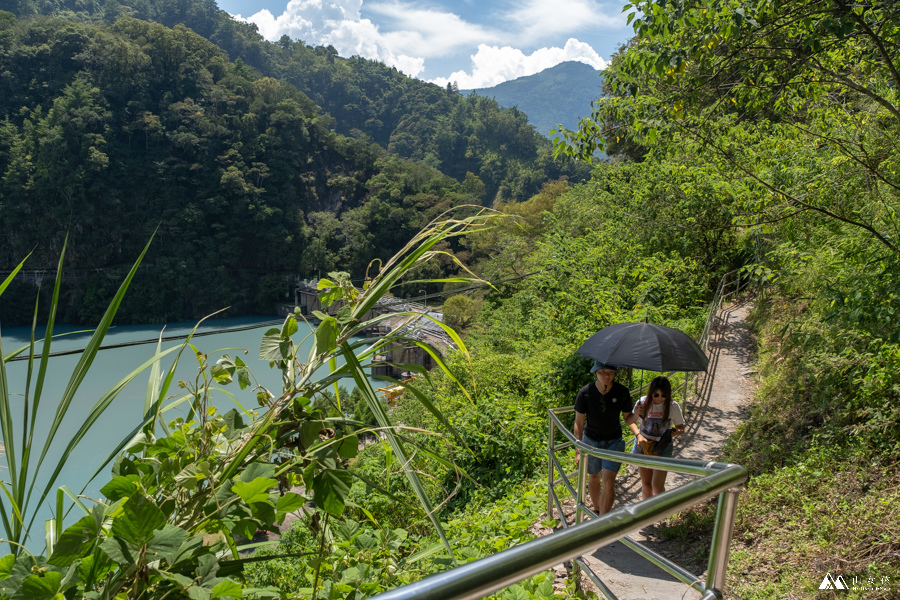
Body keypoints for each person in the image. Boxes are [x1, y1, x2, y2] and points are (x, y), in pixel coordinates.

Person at [574, 361, 637, 515]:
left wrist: (637, 414)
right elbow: (579, 422)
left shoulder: (622, 391)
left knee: (608, 482)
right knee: (594, 476)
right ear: (595, 373)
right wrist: (578, 449)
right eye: (602, 372)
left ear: (615, 374)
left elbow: (628, 418)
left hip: (614, 441)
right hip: (591, 441)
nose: (606, 376)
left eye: (610, 372)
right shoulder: (585, 393)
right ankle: (597, 510)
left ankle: (602, 519)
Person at [628, 376, 685, 500]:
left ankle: (660, 511)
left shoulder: (673, 406)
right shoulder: (642, 403)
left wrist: (674, 432)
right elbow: (631, 422)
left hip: (663, 447)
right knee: (647, 485)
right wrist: (638, 434)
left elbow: (681, 428)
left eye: (663, 395)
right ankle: (647, 513)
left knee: (657, 486)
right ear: (651, 392)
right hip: (644, 445)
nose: (659, 398)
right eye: (656, 394)